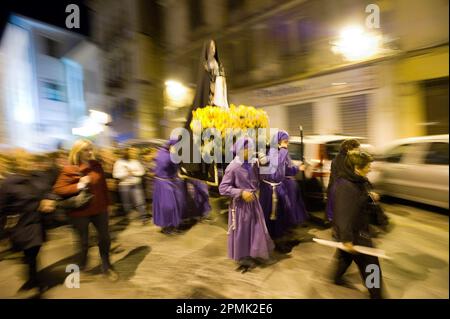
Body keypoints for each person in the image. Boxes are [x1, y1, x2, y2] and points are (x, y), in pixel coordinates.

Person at [53, 139, 118, 281]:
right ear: (77, 152)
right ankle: (82, 264)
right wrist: (78, 186)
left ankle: (106, 266)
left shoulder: (96, 165)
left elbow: (103, 187)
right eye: (85, 150)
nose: (89, 152)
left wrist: (109, 204)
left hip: (99, 209)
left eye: (90, 149)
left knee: (105, 238)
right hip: (80, 212)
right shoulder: (69, 169)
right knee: (83, 242)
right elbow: (58, 189)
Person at [0, 151, 58, 297]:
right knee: (30, 252)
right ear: (17, 164)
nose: (28, 165)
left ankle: (33, 280)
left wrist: (49, 199)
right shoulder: (9, 183)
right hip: (22, 224)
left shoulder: (37, 176)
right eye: (24, 162)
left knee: (34, 251)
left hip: (38, 222)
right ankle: (34, 281)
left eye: (29, 161)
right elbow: (2, 208)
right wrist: (3, 232)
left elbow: (49, 190)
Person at [332, 150, 384, 299]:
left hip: (358, 227)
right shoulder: (346, 186)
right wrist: (347, 238)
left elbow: (358, 199)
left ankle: (336, 277)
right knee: (371, 264)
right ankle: (377, 295)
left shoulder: (359, 180)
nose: (370, 168)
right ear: (357, 167)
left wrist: (369, 196)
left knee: (346, 256)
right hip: (355, 232)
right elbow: (343, 214)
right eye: (368, 166)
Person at [219, 137, 274, 272]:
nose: (251, 151)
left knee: (255, 230)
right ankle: (243, 258)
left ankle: (252, 254)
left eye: (251, 148)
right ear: (239, 150)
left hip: (253, 203)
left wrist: (265, 164)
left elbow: (264, 178)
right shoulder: (233, 167)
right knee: (242, 232)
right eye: (247, 148)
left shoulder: (253, 163)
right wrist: (241, 192)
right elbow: (223, 188)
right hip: (240, 206)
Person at [259, 131, 305, 242]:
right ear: (278, 142)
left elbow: (287, 169)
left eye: (287, 142)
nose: (287, 144)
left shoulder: (282, 152)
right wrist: (284, 150)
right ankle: (268, 237)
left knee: (283, 212)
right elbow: (276, 164)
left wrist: (298, 168)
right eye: (285, 142)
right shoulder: (271, 152)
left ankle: (279, 235)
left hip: (279, 187)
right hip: (269, 189)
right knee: (269, 213)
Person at [152, 138, 187, 234]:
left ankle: (168, 226)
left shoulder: (161, 151)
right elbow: (177, 167)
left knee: (164, 205)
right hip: (165, 183)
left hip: (161, 182)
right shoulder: (169, 156)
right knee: (170, 206)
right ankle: (169, 227)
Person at [326, 139, 361, 221]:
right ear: (349, 149)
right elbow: (347, 175)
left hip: (338, 189)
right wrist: (360, 177)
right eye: (357, 150)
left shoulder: (340, 158)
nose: (359, 152)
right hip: (341, 191)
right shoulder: (343, 160)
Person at [113, 147, 149, 223]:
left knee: (140, 201)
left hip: (135, 184)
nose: (134, 154)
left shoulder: (136, 162)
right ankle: (129, 217)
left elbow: (142, 172)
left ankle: (144, 217)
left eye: (134, 153)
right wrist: (125, 174)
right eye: (132, 152)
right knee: (127, 203)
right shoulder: (119, 162)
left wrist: (133, 172)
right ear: (126, 153)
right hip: (124, 185)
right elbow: (115, 175)